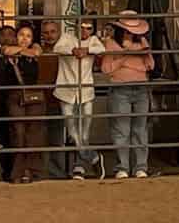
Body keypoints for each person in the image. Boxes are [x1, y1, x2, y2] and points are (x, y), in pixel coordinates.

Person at [102, 12, 154, 180]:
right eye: (127, 31)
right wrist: (125, 55)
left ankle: (141, 167)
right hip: (120, 89)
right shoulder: (110, 43)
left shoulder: (143, 43)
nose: (131, 34)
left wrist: (143, 50)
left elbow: (151, 65)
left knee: (140, 129)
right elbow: (106, 69)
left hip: (141, 88)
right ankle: (122, 167)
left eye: (134, 32)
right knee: (122, 130)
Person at [52, 16, 105, 179]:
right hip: (66, 90)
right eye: (82, 27)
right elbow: (57, 48)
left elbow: (101, 49)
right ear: (76, 27)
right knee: (72, 131)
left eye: (88, 28)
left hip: (86, 92)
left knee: (84, 134)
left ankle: (79, 168)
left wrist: (87, 50)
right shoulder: (67, 38)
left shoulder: (94, 41)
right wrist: (73, 50)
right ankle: (93, 157)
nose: (85, 31)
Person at [0, 22, 48, 184]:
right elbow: (6, 50)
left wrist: (25, 51)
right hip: (14, 95)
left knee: (33, 134)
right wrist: (26, 51)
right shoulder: (7, 49)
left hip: (33, 96)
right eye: (21, 35)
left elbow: (38, 52)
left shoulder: (35, 48)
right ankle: (17, 171)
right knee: (18, 133)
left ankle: (29, 171)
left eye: (28, 36)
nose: (24, 38)